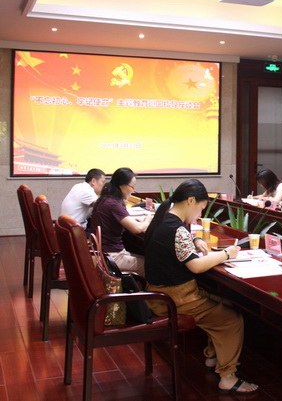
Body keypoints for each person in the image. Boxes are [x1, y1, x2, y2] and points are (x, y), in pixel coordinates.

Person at [144, 179, 258, 394]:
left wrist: (194, 240)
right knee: (232, 320)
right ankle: (227, 377)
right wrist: (226, 254)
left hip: (161, 294)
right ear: (190, 201)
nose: (199, 214)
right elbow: (196, 266)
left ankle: (213, 357)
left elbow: (178, 243)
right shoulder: (176, 229)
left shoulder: (163, 218)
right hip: (175, 300)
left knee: (225, 304)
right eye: (201, 208)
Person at [89, 167, 152, 276]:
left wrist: (133, 220)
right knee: (152, 267)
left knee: (147, 259)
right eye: (132, 186)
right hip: (112, 256)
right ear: (122, 186)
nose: (133, 190)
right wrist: (148, 220)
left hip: (105, 252)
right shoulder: (113, 204)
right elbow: (137, 229)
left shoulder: (105, 199)